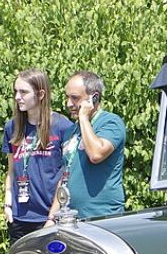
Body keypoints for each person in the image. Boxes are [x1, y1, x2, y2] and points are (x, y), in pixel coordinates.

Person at [3, 69, 73, 242]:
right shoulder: (12, 127)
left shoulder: (62, 126)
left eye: (23, 92)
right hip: (19, 218)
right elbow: (11, 170)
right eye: (16, 92)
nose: (17, 97)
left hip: (50, 218)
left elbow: (66, 175)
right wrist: (7, 204)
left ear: (41, 94)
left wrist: (52, 217)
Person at [49, 71, 126, 220]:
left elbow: (96, 154)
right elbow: (65, 174)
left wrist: (83, 117)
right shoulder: (71, 131)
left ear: (94, 97)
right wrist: (51, 218)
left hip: (102, 217)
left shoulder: (111, 122)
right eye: (67, 97)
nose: (68, 104)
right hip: (70, 218)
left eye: (75, 98)